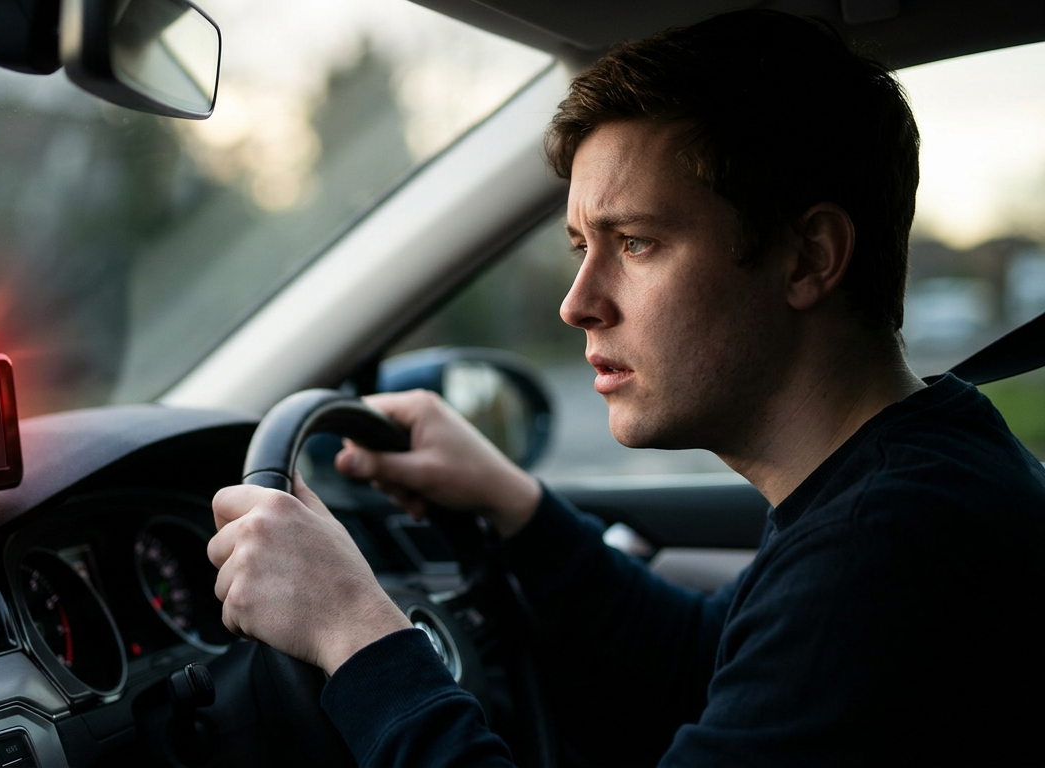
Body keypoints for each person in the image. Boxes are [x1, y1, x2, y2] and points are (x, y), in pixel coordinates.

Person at [207, 9, 1045, 766]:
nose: (578, 303)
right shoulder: (911, 476)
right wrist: (515, 504)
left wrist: (354, 632)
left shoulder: (887, 550)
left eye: (635, 243)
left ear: (808, 257)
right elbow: (699, 661)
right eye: (581, 248)